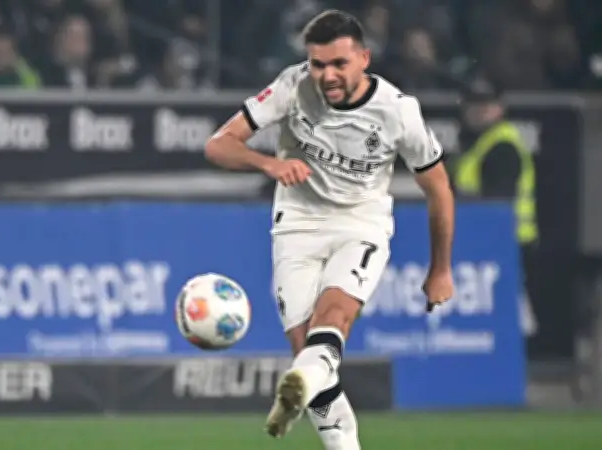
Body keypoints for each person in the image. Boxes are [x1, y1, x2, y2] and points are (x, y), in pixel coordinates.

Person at [204, 10, 455, 449]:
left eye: (340, 63)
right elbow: (218, 144)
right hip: (297, 225)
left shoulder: (398, 111)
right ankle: (311, 394)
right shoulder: (292, 86)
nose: (328, 75)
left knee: (334, 317)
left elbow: (439, 189)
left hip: (361, 223)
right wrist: (269, 163)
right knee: (311, 354)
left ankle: (298, 385)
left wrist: (441, 269)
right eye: (318, 64)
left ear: (364, 59)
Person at [452, 78, 539, 337]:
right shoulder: (477, 144)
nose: (479, 111)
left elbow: (496, 201)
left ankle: (520, 358)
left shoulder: (502, 146)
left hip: (508, 242)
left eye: (486, 105)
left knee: (508, 314)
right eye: (473, 104)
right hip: (488, 243)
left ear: (500, 108)